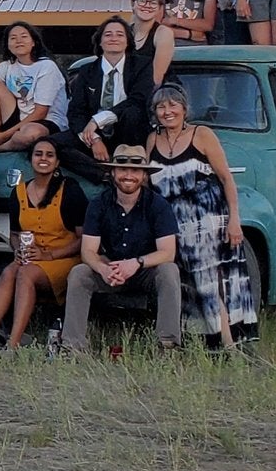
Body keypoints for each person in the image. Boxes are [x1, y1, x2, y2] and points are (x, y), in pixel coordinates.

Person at [147, 85, 257, 350]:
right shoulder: (152, 140)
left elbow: (226, 179)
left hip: (207, 219)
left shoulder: (202, 135)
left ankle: (229, 344)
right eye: (161, 107)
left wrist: (234, 219)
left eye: (173, 105)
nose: (167, 111)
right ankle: (200, 342)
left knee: (210, 280)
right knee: (188, 284)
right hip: (173, 225)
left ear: (185, 108)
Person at [60, 146, 184, 354]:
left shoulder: (158, 205)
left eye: (135, 170)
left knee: (169, 271)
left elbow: (167, 252)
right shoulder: (98, 204)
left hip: (145, 271)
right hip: (111, 269)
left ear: (144, 175)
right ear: (113, 173)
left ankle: (167, 344)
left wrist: (136, 263)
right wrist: (103, 268)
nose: (128, 176)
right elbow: (88, 250)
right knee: (79, 273)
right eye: (122, 170)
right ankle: (72, 346)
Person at [0, 138, 86, 352]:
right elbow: (15, 233)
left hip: (63, 258)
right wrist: (18, 250)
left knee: (25, 274)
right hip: (32, 258)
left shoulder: (70, 190)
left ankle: (13, 344)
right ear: (30, 159)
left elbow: (83, 239)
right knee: (9, 272)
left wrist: (50, 256)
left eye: (49, 155)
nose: (43, 158)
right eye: (38, 154)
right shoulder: (19, 192)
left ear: (57, 162)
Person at [61, 16, 155, 173]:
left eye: (119, 34)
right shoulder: (86, 70)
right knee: (49, 145)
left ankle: (128, 171)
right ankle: (102, 175)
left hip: (129, 134)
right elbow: (76, 111)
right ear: (100, 41)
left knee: (132, 113)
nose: (114, 38)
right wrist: (94, 139)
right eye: (108, 34)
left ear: (128, 41)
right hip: (94, 136)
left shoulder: (142, 65)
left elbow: (137, 101)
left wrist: (97, 121)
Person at [0, 22, 67, 154]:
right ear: (8, 44)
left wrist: (5, 136)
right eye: (13, 38)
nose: (18, 41)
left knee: (29, 134)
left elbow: (41, 112)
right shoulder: (7, 66)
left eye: (24, 36)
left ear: (33, 42)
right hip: (16, 118)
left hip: (44, 122)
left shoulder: (47, 67)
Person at [126, 0, 179, 89]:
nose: (147, 5)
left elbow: (156, 79)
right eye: (142, 0)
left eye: (153, 3)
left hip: (156, 95)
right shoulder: (124, 32)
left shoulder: (163, 33)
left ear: (160, 8)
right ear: (133, 4)